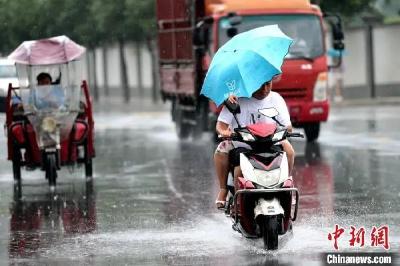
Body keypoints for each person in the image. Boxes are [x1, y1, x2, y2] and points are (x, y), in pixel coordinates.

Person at [214, 80, 295, 209]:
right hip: (242, 144)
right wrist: (224, 132)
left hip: (270, 142)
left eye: (268, 84)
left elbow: (287, 126)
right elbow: (221, 124)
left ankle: (286, 185)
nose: (265, 89)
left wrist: (284, 130)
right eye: (260, 84)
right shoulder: (236, 98)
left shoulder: (277, 99)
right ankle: (223, 189)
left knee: (289, 150)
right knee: (222, 151)